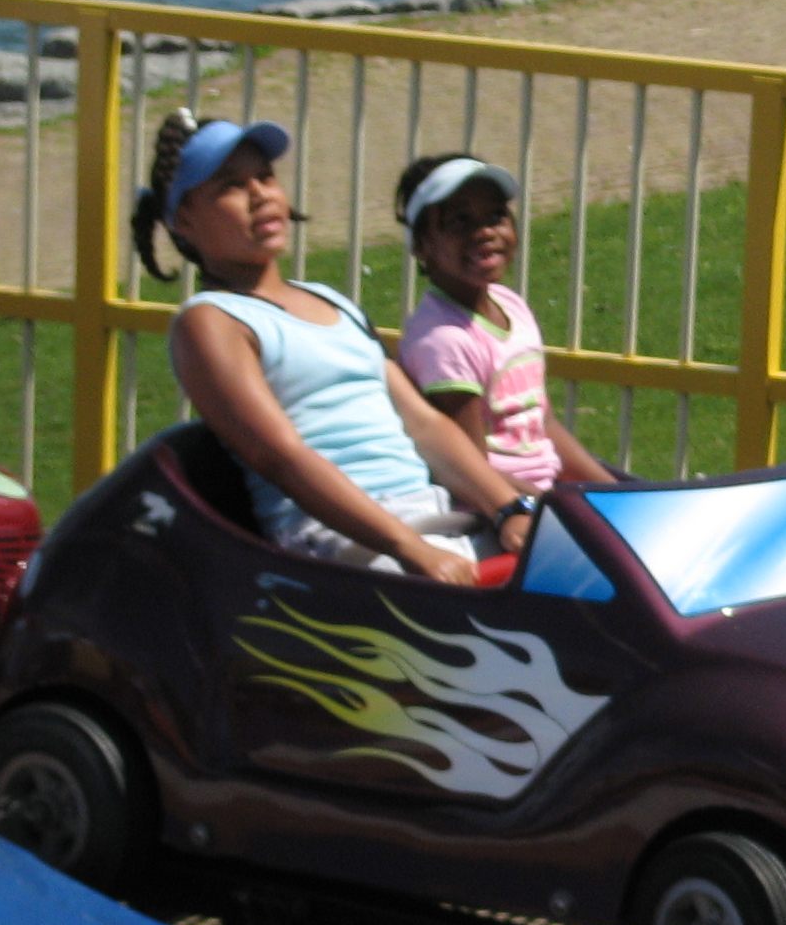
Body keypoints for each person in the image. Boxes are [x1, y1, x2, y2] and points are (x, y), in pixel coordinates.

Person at [137, 110, 536, 585]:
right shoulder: (212, 322)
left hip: (430, 512)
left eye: (265, 177)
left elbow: (425, 424)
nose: (261, 195)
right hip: (335, 541)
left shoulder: (332, 303)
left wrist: (508, 508)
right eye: (232, 186)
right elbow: (281, 456)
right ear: (184, 219)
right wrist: (409, 548)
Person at [393, 154, 611, 494]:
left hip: (547, 492)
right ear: (422, 245)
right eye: (460, 221)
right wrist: (557, 508)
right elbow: (471, 469)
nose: (485, 233)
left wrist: (614, 491)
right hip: (502, 506)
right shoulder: (445, 341)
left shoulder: (509, 304)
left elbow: (542, 422)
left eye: (495, 216)